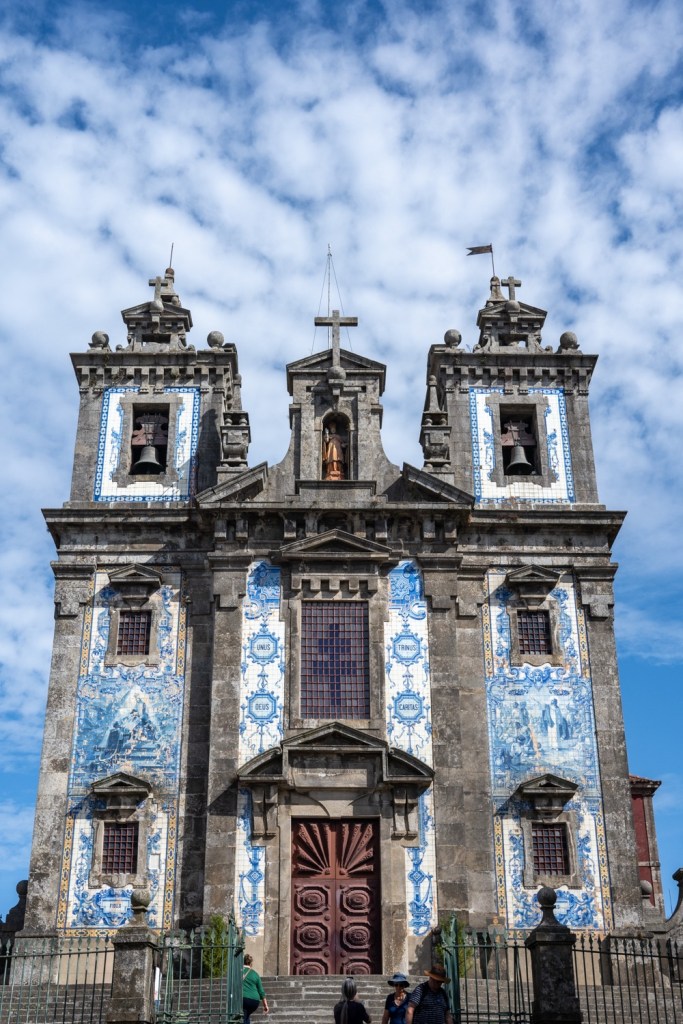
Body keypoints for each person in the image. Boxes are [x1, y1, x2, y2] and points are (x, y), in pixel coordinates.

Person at [242, 954, 269, 1024]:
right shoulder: (255, 974)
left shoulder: (239, 972)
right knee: (246, 1016)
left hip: (243, 999)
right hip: (254, 1001)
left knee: (243, 1016)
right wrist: (265, 1005)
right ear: (251, 963)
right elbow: (261, 991)